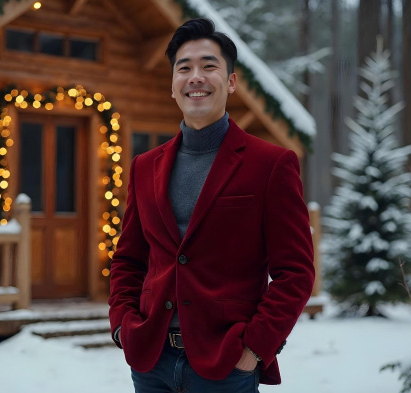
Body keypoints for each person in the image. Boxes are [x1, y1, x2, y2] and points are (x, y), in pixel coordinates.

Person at [108, 18, 315, 393]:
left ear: (231, 82)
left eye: (209, 66)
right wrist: (124, 326)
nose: (195, 77)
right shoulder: (143, 167)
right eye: (184, 68)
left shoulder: (271, 164)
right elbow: (129, 259)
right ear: (173, 86)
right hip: (151, 363)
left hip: (225, 368)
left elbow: (296, 272)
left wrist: (254, 347)